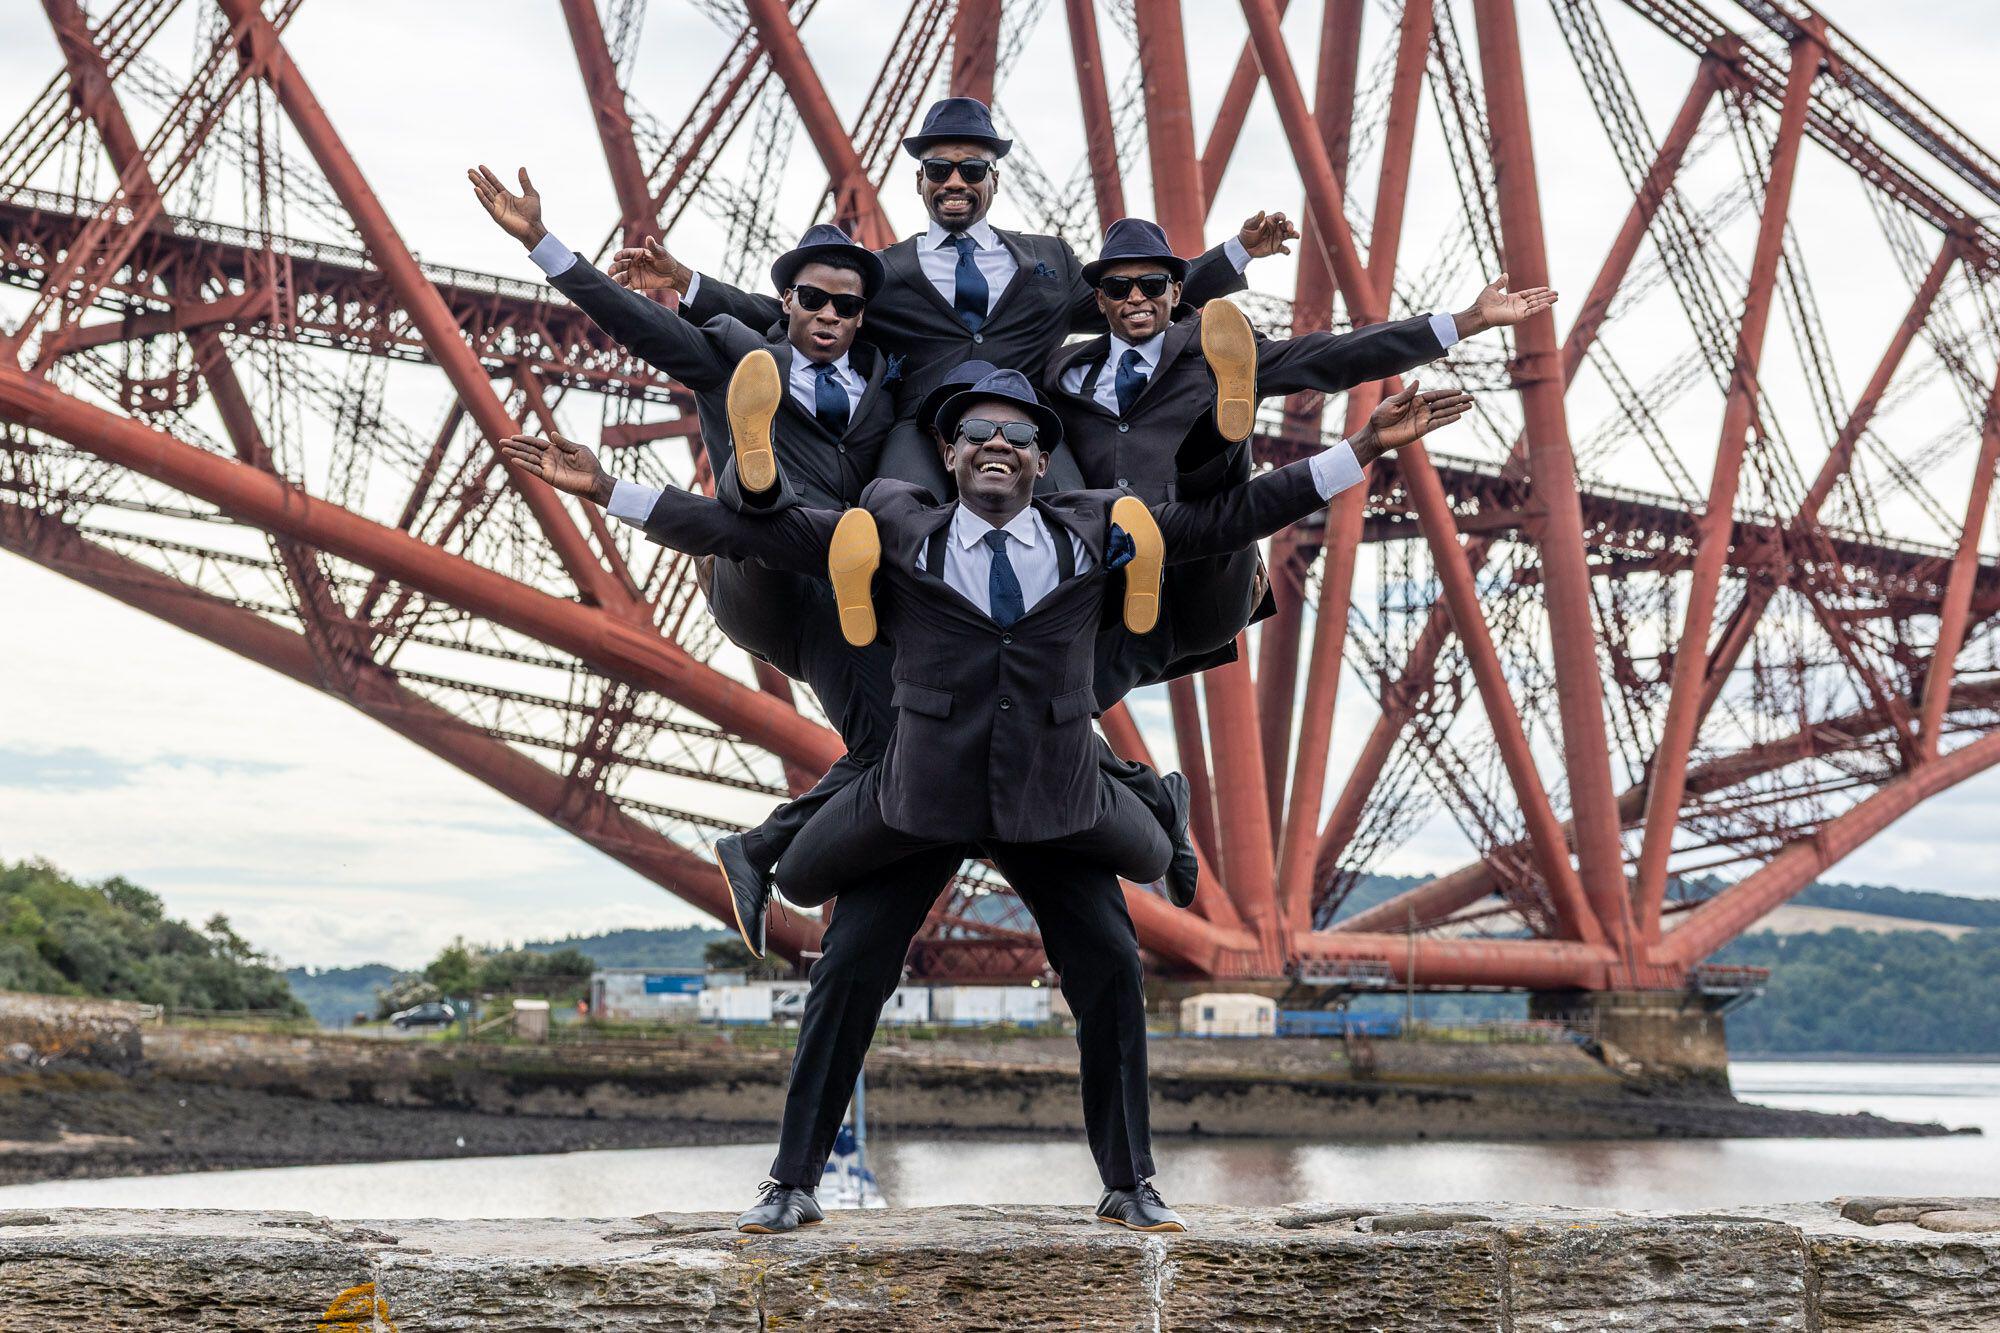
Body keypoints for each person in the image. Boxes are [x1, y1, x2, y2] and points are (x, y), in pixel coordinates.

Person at [499, 367, 1473, 1235]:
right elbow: (757, 532)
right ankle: (792, 1181)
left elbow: (1227, 521)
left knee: (1109, 980)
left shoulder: (1095, 527)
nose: (997, 443)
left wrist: (1361, 450)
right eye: (976, 433)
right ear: (948, 455)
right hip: (919, 791)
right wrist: (608, 490)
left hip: (1051, 792)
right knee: (847, 975)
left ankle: (1129, 1183)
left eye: (1016, 433)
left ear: (1042, 459)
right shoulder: (888, 525)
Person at [469, 171, 1196, 951]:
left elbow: (1119, 301)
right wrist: (546, 248)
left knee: (953, 712)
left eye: (848, 306)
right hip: (778, 574)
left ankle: (760, 849)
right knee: (875, 693)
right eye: (812, 299)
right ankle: (758, 480)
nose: (830, 314)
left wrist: (1213, 271)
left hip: (858, 595)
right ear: (785, 301)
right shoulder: (737, 355)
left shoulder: (882, 374)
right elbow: (644, 330)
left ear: (862, 317)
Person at [600, 95, 1301, 498]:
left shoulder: (1051, 260)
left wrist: (1235, 253)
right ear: (921, 182)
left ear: (994, 178)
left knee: (1098, 516)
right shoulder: (884, 273)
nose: (954, 180)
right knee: (885, 510)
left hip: (1026, 429)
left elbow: (1131, 299)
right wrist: (684, 283)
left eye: (971, 167)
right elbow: (789, 312)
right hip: (926, 430)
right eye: (939, 168)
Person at [1045, 216, 1558, 700]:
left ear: (1178, 291)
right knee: (1060, 700)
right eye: (1118, 288)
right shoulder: (1060, 375)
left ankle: (1227, 420)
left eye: (1153, 285)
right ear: (1100, 300)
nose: (1136, 297)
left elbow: (1333, 355)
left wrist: (1466, 321)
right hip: (1116, 595)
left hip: (1208, 572)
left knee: (1210, 472)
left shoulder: (1211, 348)